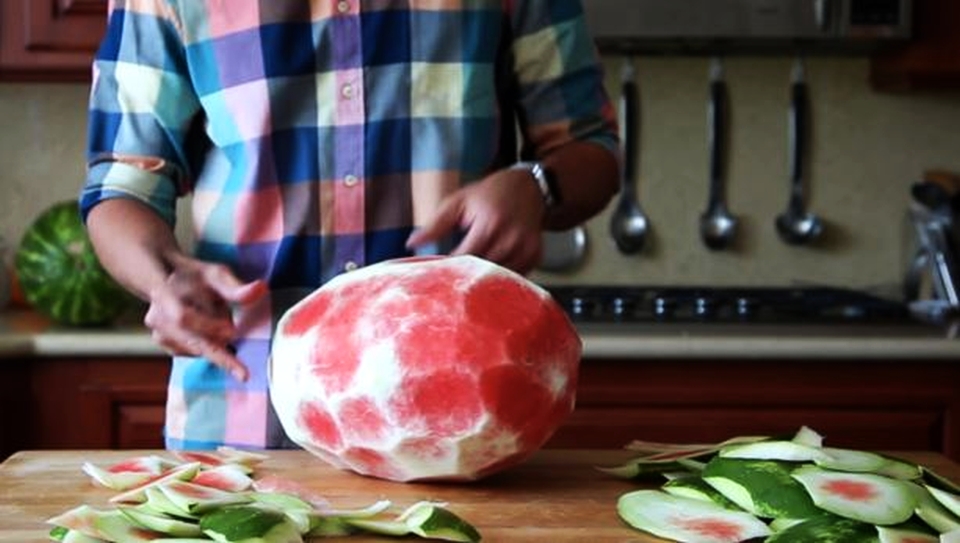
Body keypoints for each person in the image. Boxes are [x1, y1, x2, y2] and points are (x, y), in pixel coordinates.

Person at [81, 0, 620, 450]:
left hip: (454, 419)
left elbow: (591, 149)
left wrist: (536, 185)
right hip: (244, 413)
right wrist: (162, 281)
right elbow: (122, 180)